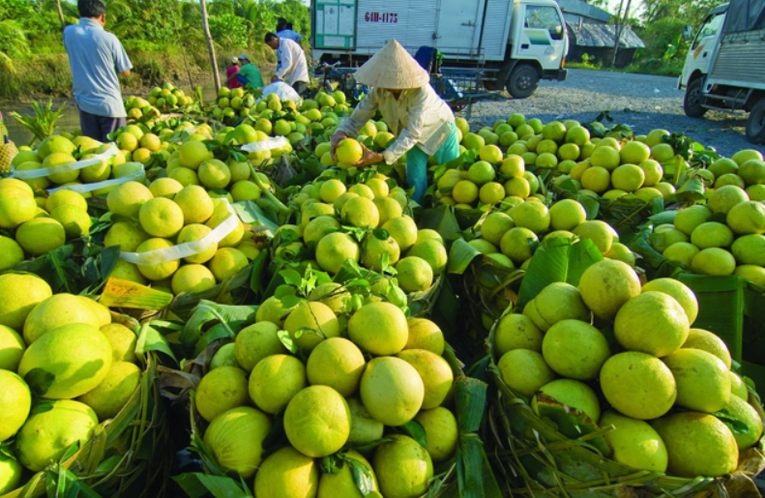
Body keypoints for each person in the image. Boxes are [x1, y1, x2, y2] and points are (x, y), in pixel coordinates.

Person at [330, 39, 458, 201]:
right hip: (411, 134)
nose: (388, 85)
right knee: (415, 180)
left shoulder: (420, 92)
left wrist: (382, 156)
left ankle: (450, 208)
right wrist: (340, 132)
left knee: (453, 174)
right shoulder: (378, 92)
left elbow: (412, 133)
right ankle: (416, 212)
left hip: (440, 126)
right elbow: (357, 118)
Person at [63, 0, 132, 143]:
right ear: (103, 17)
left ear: (80, 14)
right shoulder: (109, 38)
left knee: (92, 152)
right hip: (109, 106)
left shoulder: (69, 33)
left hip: (85, 104)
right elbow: (125, 72)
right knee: (114, 154)